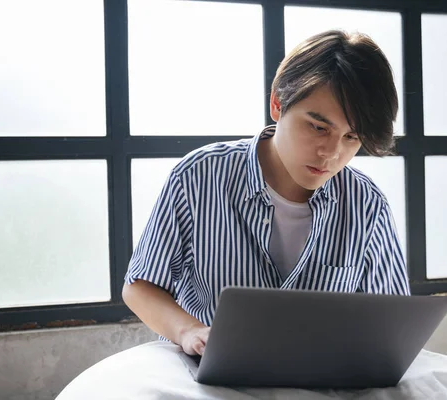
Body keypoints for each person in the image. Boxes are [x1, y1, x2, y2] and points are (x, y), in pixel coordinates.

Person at [123, 30, 410, 358]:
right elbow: (139, 286)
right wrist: (188, 330)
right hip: (205, 376)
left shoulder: (366, 205)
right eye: (318, 127)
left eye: (352, 137)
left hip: (316, 382)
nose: (331, 153)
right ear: (277, 103)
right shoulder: (199, 176)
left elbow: (394, 323)